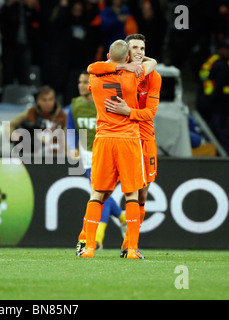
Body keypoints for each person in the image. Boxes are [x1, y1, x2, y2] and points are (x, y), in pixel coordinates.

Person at [78, 39, 156, 259]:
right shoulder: (134, 75)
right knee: (131, 194)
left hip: (103, 140)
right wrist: (129, 65)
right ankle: (131, 249)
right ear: (128, 57)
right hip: (128, 140)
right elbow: (152, 64)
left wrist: (116, 63)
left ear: (109, 57)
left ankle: (89, 248)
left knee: (97, 193)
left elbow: (93, 66)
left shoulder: (95, 77)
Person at [100, 34, 162, 258]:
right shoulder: (116, 72)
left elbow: (150, 114)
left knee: (143, 194)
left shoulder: (153, 76)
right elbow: (95, 68)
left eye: (142, 47)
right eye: (134, 47)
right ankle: (86, 240)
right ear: (126, 52)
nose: (139, 51)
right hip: (121, 137)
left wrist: (128, 112)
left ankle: (129, 244)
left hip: (145, 138)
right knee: (104, 190)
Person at [66, 70, 126, 253]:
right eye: (79, 81)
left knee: (100, 193)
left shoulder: (104, 102)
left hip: (106, 152)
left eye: (85, 82)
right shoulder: (75, 105)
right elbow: (71, 127)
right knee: (102, 194)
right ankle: (124, 219)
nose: (81, 85)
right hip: (86, 154)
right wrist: (71, 145)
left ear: (92, 85)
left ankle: (97, 240)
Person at [197, 38, 229, 156]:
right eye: (227, 49)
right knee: (222, 133)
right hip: (221, 105)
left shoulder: (211, 62)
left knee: (218, 132)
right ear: (221, 50)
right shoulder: (222, 65)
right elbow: (218, 86)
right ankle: (227, 156)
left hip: (217, 104)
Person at [9, 85, 67, 154]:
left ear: (54, 100)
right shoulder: (30, 112)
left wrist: (66, 157)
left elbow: (67, 139)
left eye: (50, 99)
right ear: (38, 101)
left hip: (54, 155)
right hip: (32, 152)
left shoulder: (63, 117)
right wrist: (12, 135)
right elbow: (10, 124)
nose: (47, 103)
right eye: (44, 100)